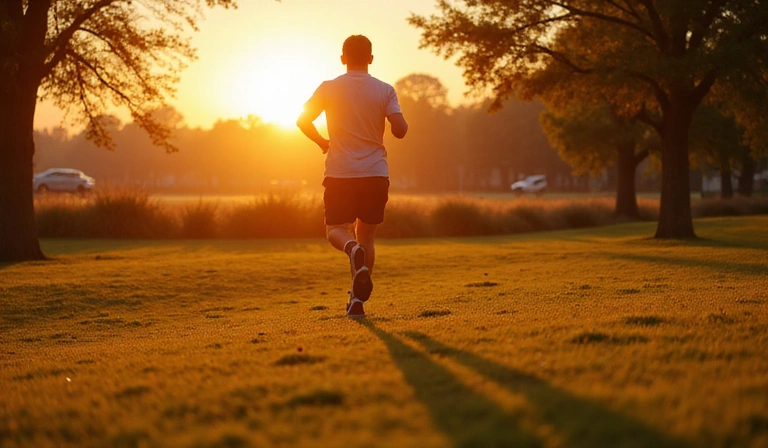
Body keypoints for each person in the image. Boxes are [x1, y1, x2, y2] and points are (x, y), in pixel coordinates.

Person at [296, 35, 408, 318]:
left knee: (335, 230)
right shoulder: (385, 90)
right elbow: (401, 130)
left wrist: (323, 142)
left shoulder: (328, 88)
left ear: (343, 58)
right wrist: (393, 120)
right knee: (367, 238)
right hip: (375, 174)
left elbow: (302, 120)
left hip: (340, 173)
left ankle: (350, 248)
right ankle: (357, 302)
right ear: (371, 58)